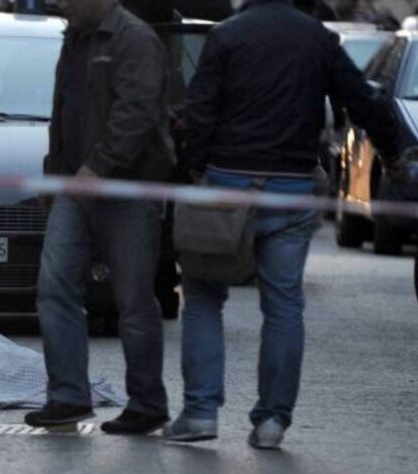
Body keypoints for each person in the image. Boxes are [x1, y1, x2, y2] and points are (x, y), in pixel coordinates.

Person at [165, 0, 402, 449]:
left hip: (228, 182)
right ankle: (273, 420)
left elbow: (200, 111)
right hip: (292, 186)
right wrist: (391, 152)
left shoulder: (227, 36)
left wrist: (196, 167)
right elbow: (363, 102)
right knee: (284, 305)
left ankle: (200, 412)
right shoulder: (318, 39)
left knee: (203, 296)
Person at [24, 0, 175, 434]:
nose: (60, 6)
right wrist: (54, 175)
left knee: (133, 299)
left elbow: (136, 114)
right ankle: (68, 397)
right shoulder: (76, 38)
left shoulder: (134, 39)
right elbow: (63, 112)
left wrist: (99, 168)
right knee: (54, 287)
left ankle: (147, 403)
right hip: (75, 186)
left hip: (126, 189)